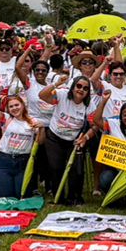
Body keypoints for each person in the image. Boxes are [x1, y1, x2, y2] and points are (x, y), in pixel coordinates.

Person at [38, 71, 98, 203]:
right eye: (79, 86)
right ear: (73, 87)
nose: (81, 90)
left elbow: (95, 126)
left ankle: (74, 197)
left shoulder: (89, 105)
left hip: (74, 140)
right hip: (55, 137)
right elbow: (42, 95)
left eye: (85, 88)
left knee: (76, 170)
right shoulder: (62, 95)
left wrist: (85, 138)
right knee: (56, 167)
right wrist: (56, 84)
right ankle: (58, 196)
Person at [0, 94, 37, 199]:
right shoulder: (6, 119)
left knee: (22, 195)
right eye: (11, 106)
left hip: (23, 163)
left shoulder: (33, 121)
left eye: (17, 105)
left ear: (22, 105)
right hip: (3, 162)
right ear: (8, 109)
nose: (14, 108)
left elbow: (40, 141)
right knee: (4, 197)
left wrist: (40, 130)